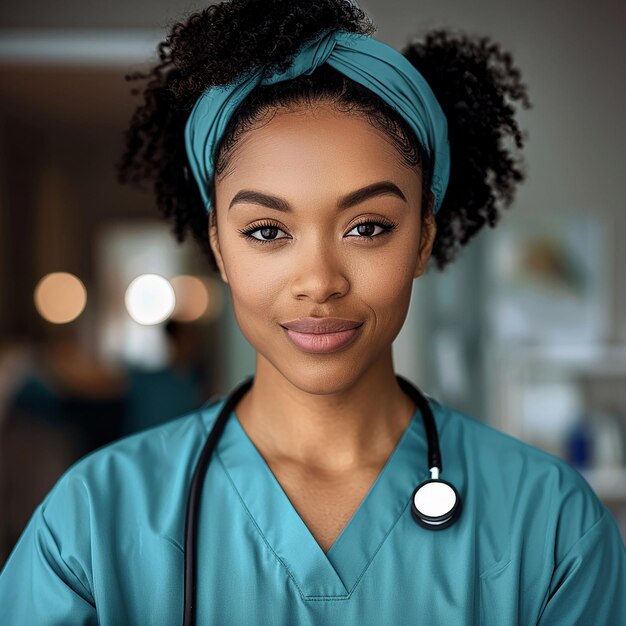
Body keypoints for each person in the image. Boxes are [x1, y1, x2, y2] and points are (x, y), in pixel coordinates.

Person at [1, 0, 625, 624]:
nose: (319, 282)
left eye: (368, 227)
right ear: (218, 244)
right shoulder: (90, 522)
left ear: (423, 239)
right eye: (268, 231)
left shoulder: (551, 524)